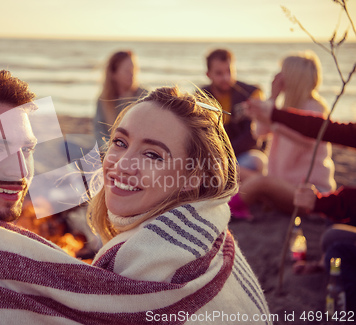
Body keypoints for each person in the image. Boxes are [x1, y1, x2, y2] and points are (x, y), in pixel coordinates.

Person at [0, 67, 269, 324]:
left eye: (28, 149)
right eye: (120, 143)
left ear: (190, 174)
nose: (20, 173)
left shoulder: (169, 262)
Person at [87, 86, 271, 321]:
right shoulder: (209, 232)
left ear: (192, 177)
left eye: (152, 155)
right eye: (120, 142)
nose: (122, 165)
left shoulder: (143, 262)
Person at [247, 97, 356, 312]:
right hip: (297, 187)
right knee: (331, 235)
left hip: (305, 188)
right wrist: (274, 112)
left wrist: (321, 202)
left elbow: (321, 131)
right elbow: (326, 129)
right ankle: (326, 264)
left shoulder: (314, 103)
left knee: (337, 248)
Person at [231, 51, 336, 218]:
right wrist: (272, 98)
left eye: (282, 72)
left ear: (294, 78)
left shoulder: (315, 108)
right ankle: (240, 199)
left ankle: (231, 209)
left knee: (262, 182)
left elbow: (304, 138)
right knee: (231, 170)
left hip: (308, 193)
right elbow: (260, 133)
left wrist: (272, 118)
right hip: (281, 183)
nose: (277, 77)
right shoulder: (284, 108)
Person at [201, 48, 266, 174]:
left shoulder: (251, 93)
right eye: (219, 73)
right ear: (208, 75)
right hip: (213, 159)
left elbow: (252, 137)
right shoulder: (201, 97)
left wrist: (225, 156)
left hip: (242, 156)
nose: (226, 77)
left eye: (229, 71)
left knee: (257, 160)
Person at [93, 50, 147, 151]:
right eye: (127, 71)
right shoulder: (103, 100)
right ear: (114, 74)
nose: (132, 75)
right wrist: (110, 149)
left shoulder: (144, 96)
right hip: (110, 150)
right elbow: (98, 132)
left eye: (133, 70)